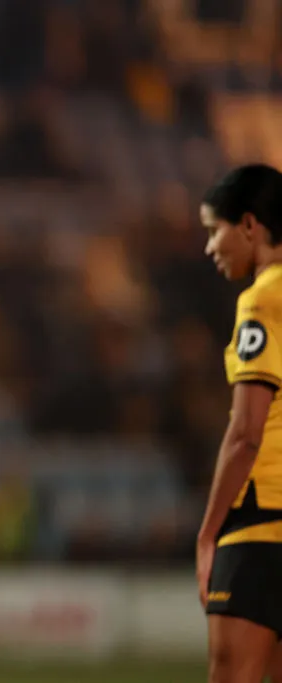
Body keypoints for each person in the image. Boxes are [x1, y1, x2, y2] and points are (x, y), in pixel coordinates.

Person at [198, 163, 282, 683]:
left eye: (214, 230)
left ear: (249, 225)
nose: (211, 247)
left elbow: (246, 433)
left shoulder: (262, 299)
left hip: (260, 525)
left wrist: (208, 534)